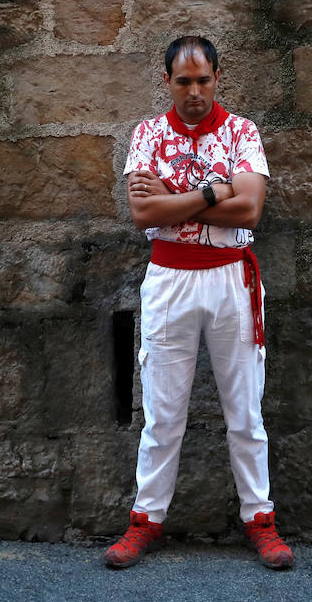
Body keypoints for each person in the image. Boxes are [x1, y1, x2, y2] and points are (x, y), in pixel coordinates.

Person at [104, 35, 294, 571]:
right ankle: (146, 520)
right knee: (163, 413)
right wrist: (214, 192)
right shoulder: (147, 134)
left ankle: (260, 519)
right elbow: (143, 216)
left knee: (245, 411)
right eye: (183, 81)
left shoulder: (241, 133)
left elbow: (250, 211)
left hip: (232, 279)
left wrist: (176, 199)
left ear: (217, 78)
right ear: (167, 81)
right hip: (168, 279)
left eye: (203, 80)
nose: (194, 91)